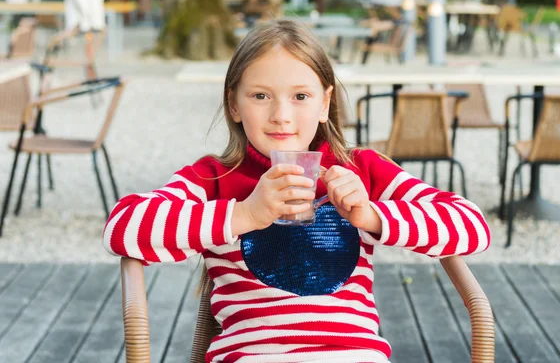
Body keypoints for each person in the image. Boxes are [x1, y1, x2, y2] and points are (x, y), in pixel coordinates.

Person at [103, 19, 490, 363]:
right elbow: (122, 227)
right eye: (260, 96)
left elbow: (472, 226)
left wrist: (371, 215)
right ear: (233, 104)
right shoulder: (216, 177)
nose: (281, 115)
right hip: (253, 353)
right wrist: (244, 214)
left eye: (300, 96)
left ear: (325, 103)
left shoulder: (361, 169)